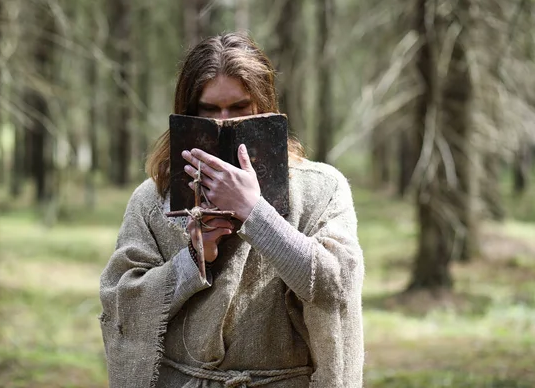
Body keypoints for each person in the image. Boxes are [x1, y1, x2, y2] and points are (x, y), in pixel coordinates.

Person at [99, 32, 364, 388]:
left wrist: (255, 211)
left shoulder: (321, 188)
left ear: (263, 106)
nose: (224, 123)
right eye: (209, 110)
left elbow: (337, 285)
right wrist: (191, 261)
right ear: (188, 114)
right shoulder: (153, 198)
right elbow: (122, 303)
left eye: (239, 108)